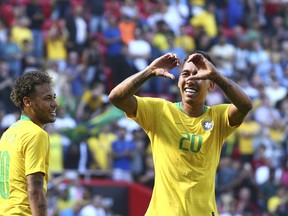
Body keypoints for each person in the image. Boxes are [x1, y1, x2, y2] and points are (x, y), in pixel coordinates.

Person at [108, 51, 253, 215]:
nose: (191, 79)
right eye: (186, 74)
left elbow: (245, 106)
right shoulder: (160, 111)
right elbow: (116, 98)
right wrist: (148, 71)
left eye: (198, 75)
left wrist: (217, 76)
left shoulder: (218, 118)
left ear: (211, 85)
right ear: (179, 81)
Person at [0, 71, 58, 216]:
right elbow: (35, 190)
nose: (54, 104)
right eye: (47, 98)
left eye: (54, 98)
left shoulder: (9, 133)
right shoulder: (36, 134)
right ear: (27, 102)